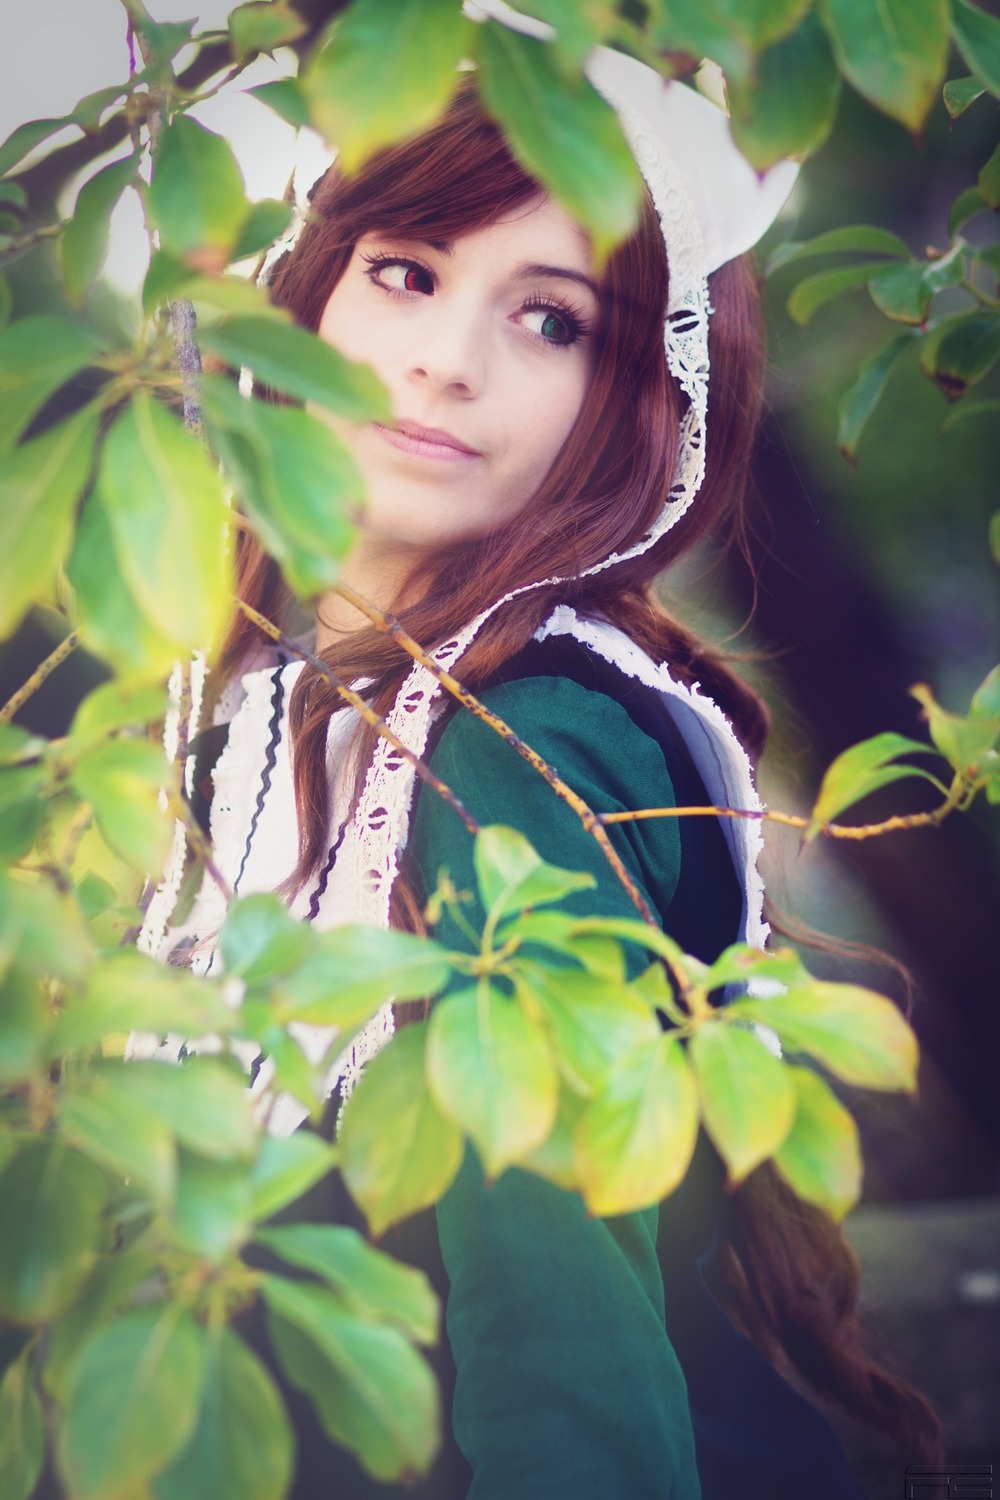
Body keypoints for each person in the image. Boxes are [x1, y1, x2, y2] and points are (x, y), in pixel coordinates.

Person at [137, 21, 943, 1500]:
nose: (448, 362)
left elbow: (558, 1337)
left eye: (552, 319)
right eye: (409, 271)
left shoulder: (506, 747)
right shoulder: (265, 698)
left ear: (624, 402)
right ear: (296, 294)